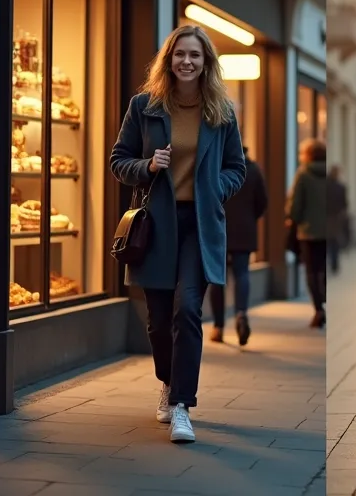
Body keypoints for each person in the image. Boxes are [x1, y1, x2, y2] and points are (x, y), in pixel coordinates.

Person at [109, 24, 246, 444]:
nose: (187, 61)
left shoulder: (221, 112)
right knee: (157, 321)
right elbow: (119, 160)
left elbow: (235, 169)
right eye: (179, 54)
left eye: (195, 56)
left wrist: (215, 189)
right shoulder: (144, 106)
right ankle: (168, 383)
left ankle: (183, 404)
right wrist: (148, 166)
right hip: (157, 224)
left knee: (187, 310)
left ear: (207, 63)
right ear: (169, 60)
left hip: (200, 226)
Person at [211, 145, 267, 346]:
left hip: (218, 229)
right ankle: (241, 314)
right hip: (244, 230)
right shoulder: (252, 169)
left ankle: (218, 327)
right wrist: (250, 219)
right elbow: (262, 201)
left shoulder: (216, 166)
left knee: (218, 277)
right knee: (242, 273)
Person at [288, 139, 330, 328]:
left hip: (308, 232)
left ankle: (318, 309)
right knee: (324, 268)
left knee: (311, 271)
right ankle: (326, 296)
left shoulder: (303, 174)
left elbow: (295, 206)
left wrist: (293, 218)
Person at [326, 166, 348, 274]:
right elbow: (344, 204)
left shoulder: (326, 186)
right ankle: (334, 263)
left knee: (329, 240)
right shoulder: (340, 187)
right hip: (336, 217)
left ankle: (331, 262)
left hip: (327, 217)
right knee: (335, 241)